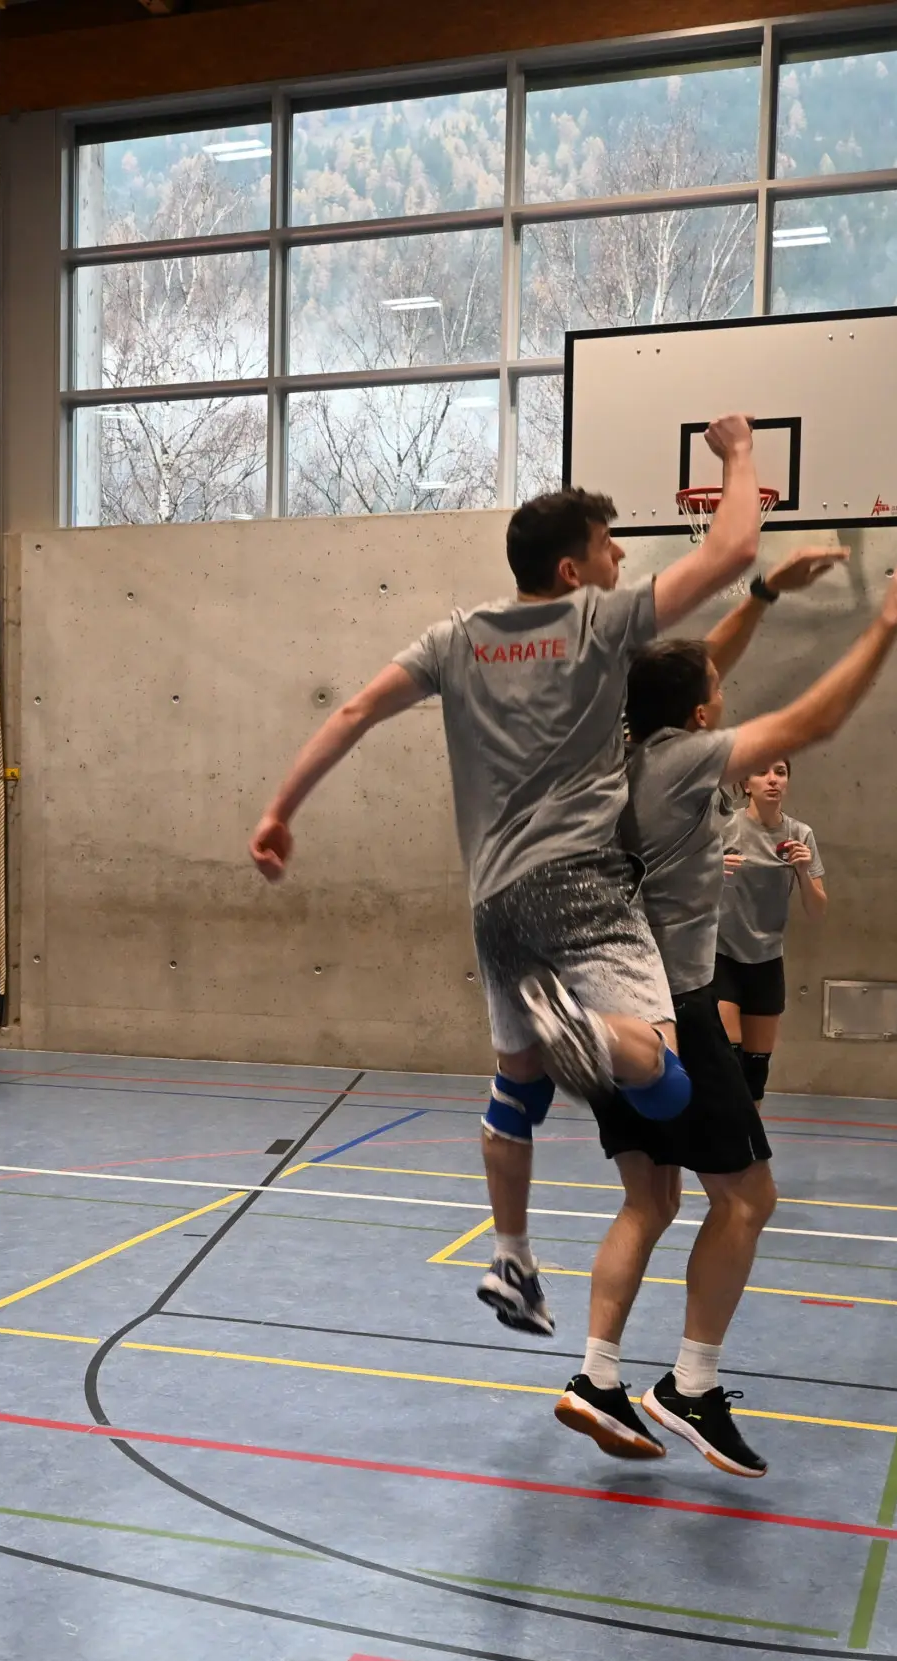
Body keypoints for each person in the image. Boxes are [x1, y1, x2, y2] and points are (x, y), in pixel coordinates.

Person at [251, 418, 771, 1341]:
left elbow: (360, 708)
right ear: (572, 572)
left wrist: (280, 810)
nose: (621, 559)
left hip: (494, 904)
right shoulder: (601, 622)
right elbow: (731, 546)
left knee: (517, 1092)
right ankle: (592, 1031)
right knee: (666, 1075)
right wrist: (734, 456)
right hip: (579, 885)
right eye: (610, 547)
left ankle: (513, 1260)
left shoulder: (457, 638)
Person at [564, 555, 897, 1474]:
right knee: (747, 1197)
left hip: (600, 1006)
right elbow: (814, 720)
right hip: (674, 1007)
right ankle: (690, 1386)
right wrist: (889, 617)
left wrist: (766, 596)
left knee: (648, 1198)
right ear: (701, 715)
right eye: (717, 690)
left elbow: (690, 667)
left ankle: (595, 1376)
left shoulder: (610, 751)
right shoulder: (688, 761)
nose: (723, 690)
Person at [712, 757, 826, 1102]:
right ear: (746, 784)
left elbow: (817, 909)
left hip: (765, 961)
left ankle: (750, 1149)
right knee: (726, 1062)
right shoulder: (723, 830)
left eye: (781, 772)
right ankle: (721, 1149)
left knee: (754, 1074)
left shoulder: (800, 835)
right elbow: (681, 890)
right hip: (722, 956)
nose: (773, 779)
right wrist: (710, 871)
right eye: (762, 772)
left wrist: (804, 872)